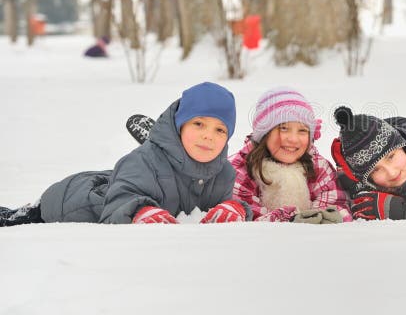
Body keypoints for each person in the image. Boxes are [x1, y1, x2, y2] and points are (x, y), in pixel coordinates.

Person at [0, 82, 250, 226]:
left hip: (115, 181)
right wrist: (139, 212)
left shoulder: (223, 173)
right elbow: (118, 203)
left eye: (220, 130)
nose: (209, 135)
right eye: (198, 124)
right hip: (71, 203)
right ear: (179, 125)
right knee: (13, 220)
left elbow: (220, 206)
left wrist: (235, 208)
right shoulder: (145, 161)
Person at [227, 87, 351, 224]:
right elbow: (245, 214)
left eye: (302, 131)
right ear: (265, 133)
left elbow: (336, 204)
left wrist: (324, 217)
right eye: (284, 128)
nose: (293, 139)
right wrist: (289, 219)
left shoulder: (318, 167)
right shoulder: (242, 167)